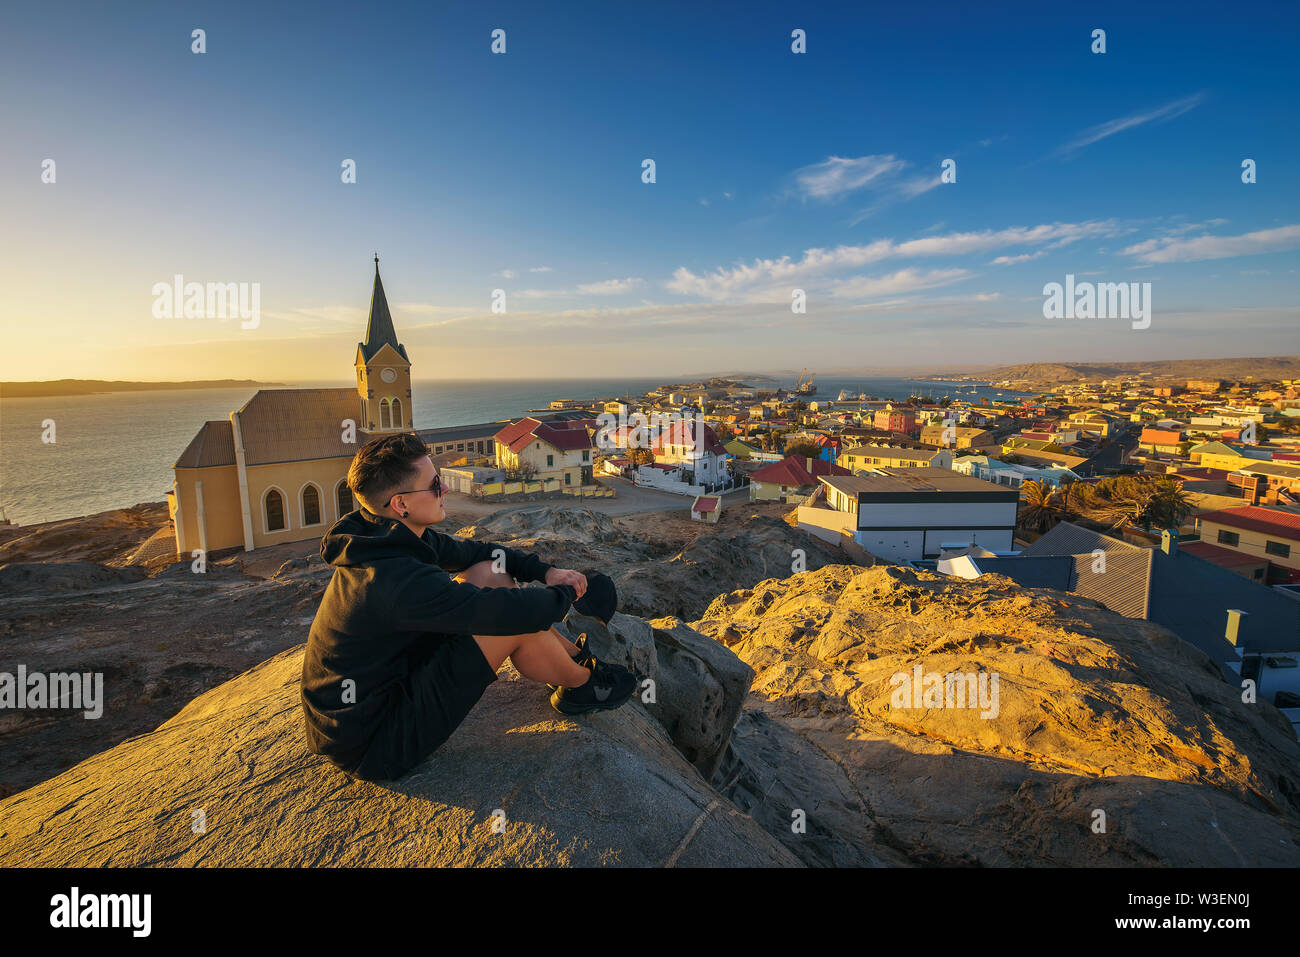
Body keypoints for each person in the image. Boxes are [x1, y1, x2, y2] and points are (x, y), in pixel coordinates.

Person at [300, 432, 636, 782]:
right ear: (401, 504)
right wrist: (566, 596)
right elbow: (501, 612)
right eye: (434, 485)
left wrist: (547, 572)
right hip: (375, 742)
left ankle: (572, 658)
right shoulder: (391, 580)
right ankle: (582, 686)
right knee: (511, 621)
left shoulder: (386, 535)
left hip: (387, 685)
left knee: (489, 572)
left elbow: (481, 556)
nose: (444, 489)